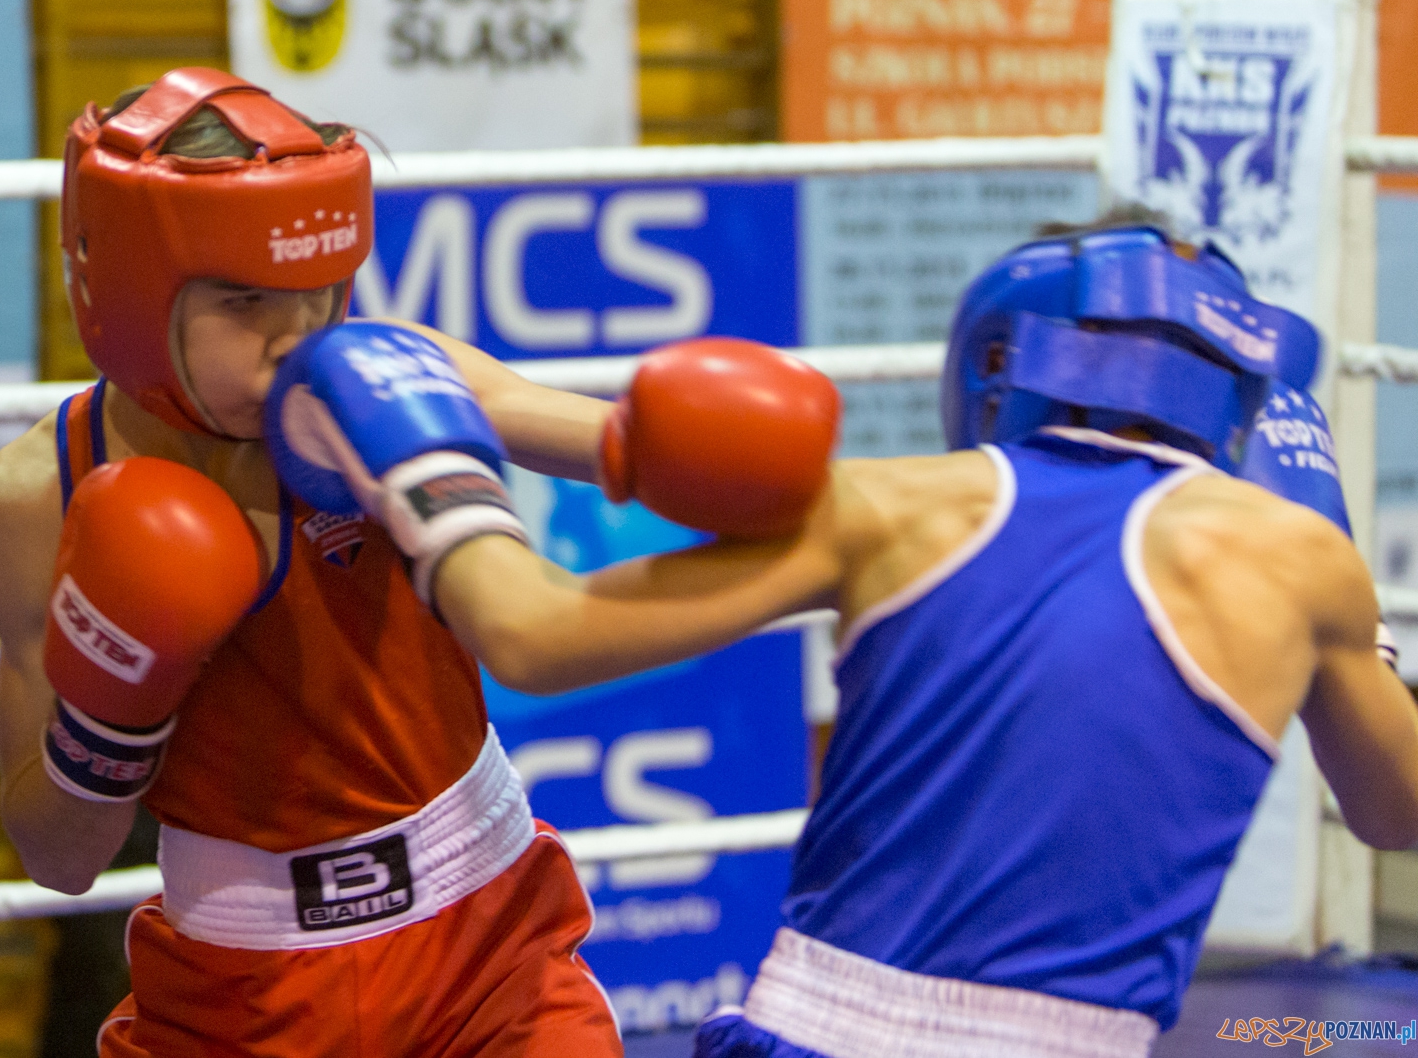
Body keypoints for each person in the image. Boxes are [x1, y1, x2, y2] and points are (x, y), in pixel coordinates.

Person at [272, 219, 1418, 1057]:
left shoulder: (894, 503)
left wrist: (430, 462)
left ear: (996, 362)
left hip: (802, 1026)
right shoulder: (1298, 560)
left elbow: (529, 633)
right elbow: (1394, 809)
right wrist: (1347, 618)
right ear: (1237, 404)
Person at [0, 67, 627, 1056]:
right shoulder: (40, 494)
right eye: (242, 298)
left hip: (491, 950)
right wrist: (110, 713)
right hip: (231, 991)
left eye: (316, 288)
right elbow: (59, 855)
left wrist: (711, 450)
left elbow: (596, 437)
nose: (295, 337)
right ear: (135, 290)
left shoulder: (379, 376)